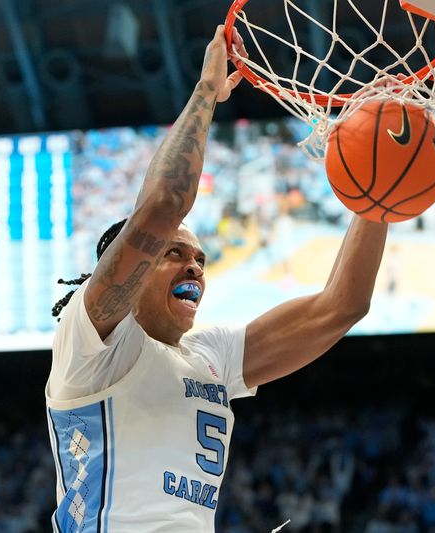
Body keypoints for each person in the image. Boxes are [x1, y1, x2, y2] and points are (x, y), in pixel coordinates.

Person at [45, 25, 389, 532]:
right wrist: (207, 91)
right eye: (174, 253)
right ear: (128, 271)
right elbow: (163, 204)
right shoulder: (91, 342)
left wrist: (380, 200)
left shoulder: (210, 355)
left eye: (201, 259)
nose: (195, 267)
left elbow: (342, 306)